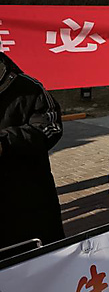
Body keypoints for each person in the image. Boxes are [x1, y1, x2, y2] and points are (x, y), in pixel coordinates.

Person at [0, 52, 65, 250]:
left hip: (29, 196)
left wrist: (6, 142)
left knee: (38, 256)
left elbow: (51, 128)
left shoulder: (29, 88)